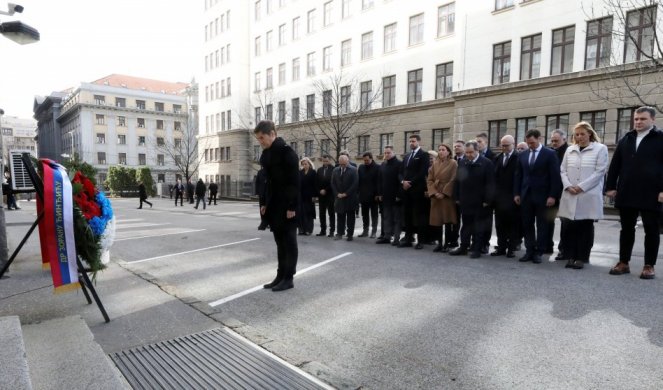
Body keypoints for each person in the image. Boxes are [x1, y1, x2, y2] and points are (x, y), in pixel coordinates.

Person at [605, 106, 663, 280]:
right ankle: (623, 262)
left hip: (652, 193)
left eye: (642, 119)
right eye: (636, 119)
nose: (638, 122)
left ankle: (649, 266)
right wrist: (610, 187)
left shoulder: (660, 138)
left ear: (652, 120)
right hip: (627, 190)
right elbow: (615, 164)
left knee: (652, 230)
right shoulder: (626, 138)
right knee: (626, 229)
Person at [255, 120, 300, 291]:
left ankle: (289, 278)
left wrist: (292, 207)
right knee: (280, 243)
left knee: (289, 243)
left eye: (262, 138)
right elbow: (266, 182)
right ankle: (280, 275)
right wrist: (264, 203)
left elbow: (294, 183)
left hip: (287, 206)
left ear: (272, 134)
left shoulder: (287, 153)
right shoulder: (266, 155)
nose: (260, 142)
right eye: (258, 139)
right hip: (274, 206)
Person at [557, 122, 608, 270]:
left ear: (590, 134)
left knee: (585, 227)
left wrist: (581, 187)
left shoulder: (600, 149)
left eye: (582, 134)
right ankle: (571, 255)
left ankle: (582, 257)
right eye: (577, 134)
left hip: (587, 194)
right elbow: (562, 170)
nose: (579, 137)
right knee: (570, 227)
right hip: (570, 193)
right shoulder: (570, 150)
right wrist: (568, 185)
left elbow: (600, 172)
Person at [514, 129, 562, 264]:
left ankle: (539, 251)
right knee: (527, 224)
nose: (531, 145)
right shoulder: (522, 155)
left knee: (542, 225)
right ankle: (529, 250)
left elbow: (555, 177)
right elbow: (518, 175)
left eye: (533, 143)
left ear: (539, 139)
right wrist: (517, 193)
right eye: (528, 143)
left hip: (543, 197)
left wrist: (553, 196)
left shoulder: (550, 154)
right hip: (526, 196)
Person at [450, 141, 495, 258]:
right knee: (465, 226)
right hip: (465, 200)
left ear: (477, 151)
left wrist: (487, 200)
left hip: (480, 202)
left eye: (471, 152)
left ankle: (477, 249)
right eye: (467, 152)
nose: (469, 155)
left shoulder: (487, 163)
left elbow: (491, 183)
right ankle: (463, 247)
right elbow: (458, 181)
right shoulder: (463, 162)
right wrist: (457, 197)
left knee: (478, 227)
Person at [399, 134, 430, 249]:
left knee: (419, 216)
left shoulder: (423, 155)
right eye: (410, 141)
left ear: (419, 142)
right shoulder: (407, 156)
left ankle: (421, 241)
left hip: (417, 190)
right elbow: (400, 172)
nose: (411, 143)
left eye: (413, 141)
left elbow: (422, 172)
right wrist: (403, 182)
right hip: (406, 191)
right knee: (407, 215)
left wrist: (410, 182)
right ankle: (408, 238)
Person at [426, 144, 458, 252]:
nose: (441, 152)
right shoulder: (434, 164)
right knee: (437, 220)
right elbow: (429, 180)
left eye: (443, 150)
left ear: (448, 152)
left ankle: (447, 243)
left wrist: (444, 193)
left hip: (446, 196)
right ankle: (439, 242)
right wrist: (434, 192)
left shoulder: (453, 163)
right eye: (439, 150)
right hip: (436, 196)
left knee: (447, 220)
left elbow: (453, 179)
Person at [492, 135, 519, 258]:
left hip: (513, 197)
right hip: (499, 198)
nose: (504, 148)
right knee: (500, 224)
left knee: (513, 224)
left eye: (506, 145)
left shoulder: (519, 157)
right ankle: (501, 247)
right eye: (502, 145)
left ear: (513, 144)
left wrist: (517, 194)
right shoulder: (497, 158)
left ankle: (511, 248)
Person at [376, 145, 403, 245]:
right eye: (385, 153)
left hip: (396, 197)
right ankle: (387, 237)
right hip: (385, 197)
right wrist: (379, 194)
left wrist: (399, 195)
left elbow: (401, 181)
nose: (387, 154)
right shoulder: (383, 165)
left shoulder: (399, 164)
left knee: (396, 219)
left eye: (389, 153)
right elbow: (379, 180)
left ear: (393, 153)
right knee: (386, 217)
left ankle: (396, 238)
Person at [549, 129, 569, 258]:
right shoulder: (550, 152)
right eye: (552, 140)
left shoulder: (569, 152)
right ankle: (546, 246)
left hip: (565, 193)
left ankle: (564, 249)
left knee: (565, 224)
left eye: (556, 140)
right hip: (551, 194)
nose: (554, 143)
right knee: (548, 221)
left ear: (564, 139)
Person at [331, 155, 359, 241]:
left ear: (348, 161)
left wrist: (346, 194)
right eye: (341, 164)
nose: (342, 166)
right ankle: (339, 233)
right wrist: (337, 193)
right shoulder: (335, 170)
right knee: (340, 216)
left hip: (350, 198)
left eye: (344, 164)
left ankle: (350, 234)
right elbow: (332, 183)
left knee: (350, 217)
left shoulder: (353, 170)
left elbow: (355, 184)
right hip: (339, 197)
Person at [358, 152, 380, 238]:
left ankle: (374, 231)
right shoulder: (361, 167)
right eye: (364, 160)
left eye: (367, 160)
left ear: (371, 158)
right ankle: (365, 231)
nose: (365, 162)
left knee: (374, 215)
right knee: (365, 214)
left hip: (373, 196)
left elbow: (378, 182)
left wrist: (377, 194)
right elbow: (359, 181)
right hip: (363, 195)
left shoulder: (377, 167)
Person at [315, 155, 335, 237]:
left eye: (326, 161)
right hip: (321, 195)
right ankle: (323, 230)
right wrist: (319, 191)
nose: (325, 162)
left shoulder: (333, 169)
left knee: (331, 213)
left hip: (330, 194)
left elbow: (333, 182)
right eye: (323, 161)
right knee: (322, 213)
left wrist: (325, 190)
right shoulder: (319, 170)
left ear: (330, 161)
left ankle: (332, 231)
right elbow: (316, 182)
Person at [298, 157, 317, 235]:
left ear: (309, 164)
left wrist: (314, 196)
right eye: (303, 164)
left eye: (306, 164)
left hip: (310, 196)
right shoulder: (300, 172)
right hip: (301, 195)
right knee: (301, 213)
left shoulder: (313, 172)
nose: (304, 165)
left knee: (309, 213)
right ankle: (301, 229)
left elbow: (315, 185)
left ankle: (309, 230)